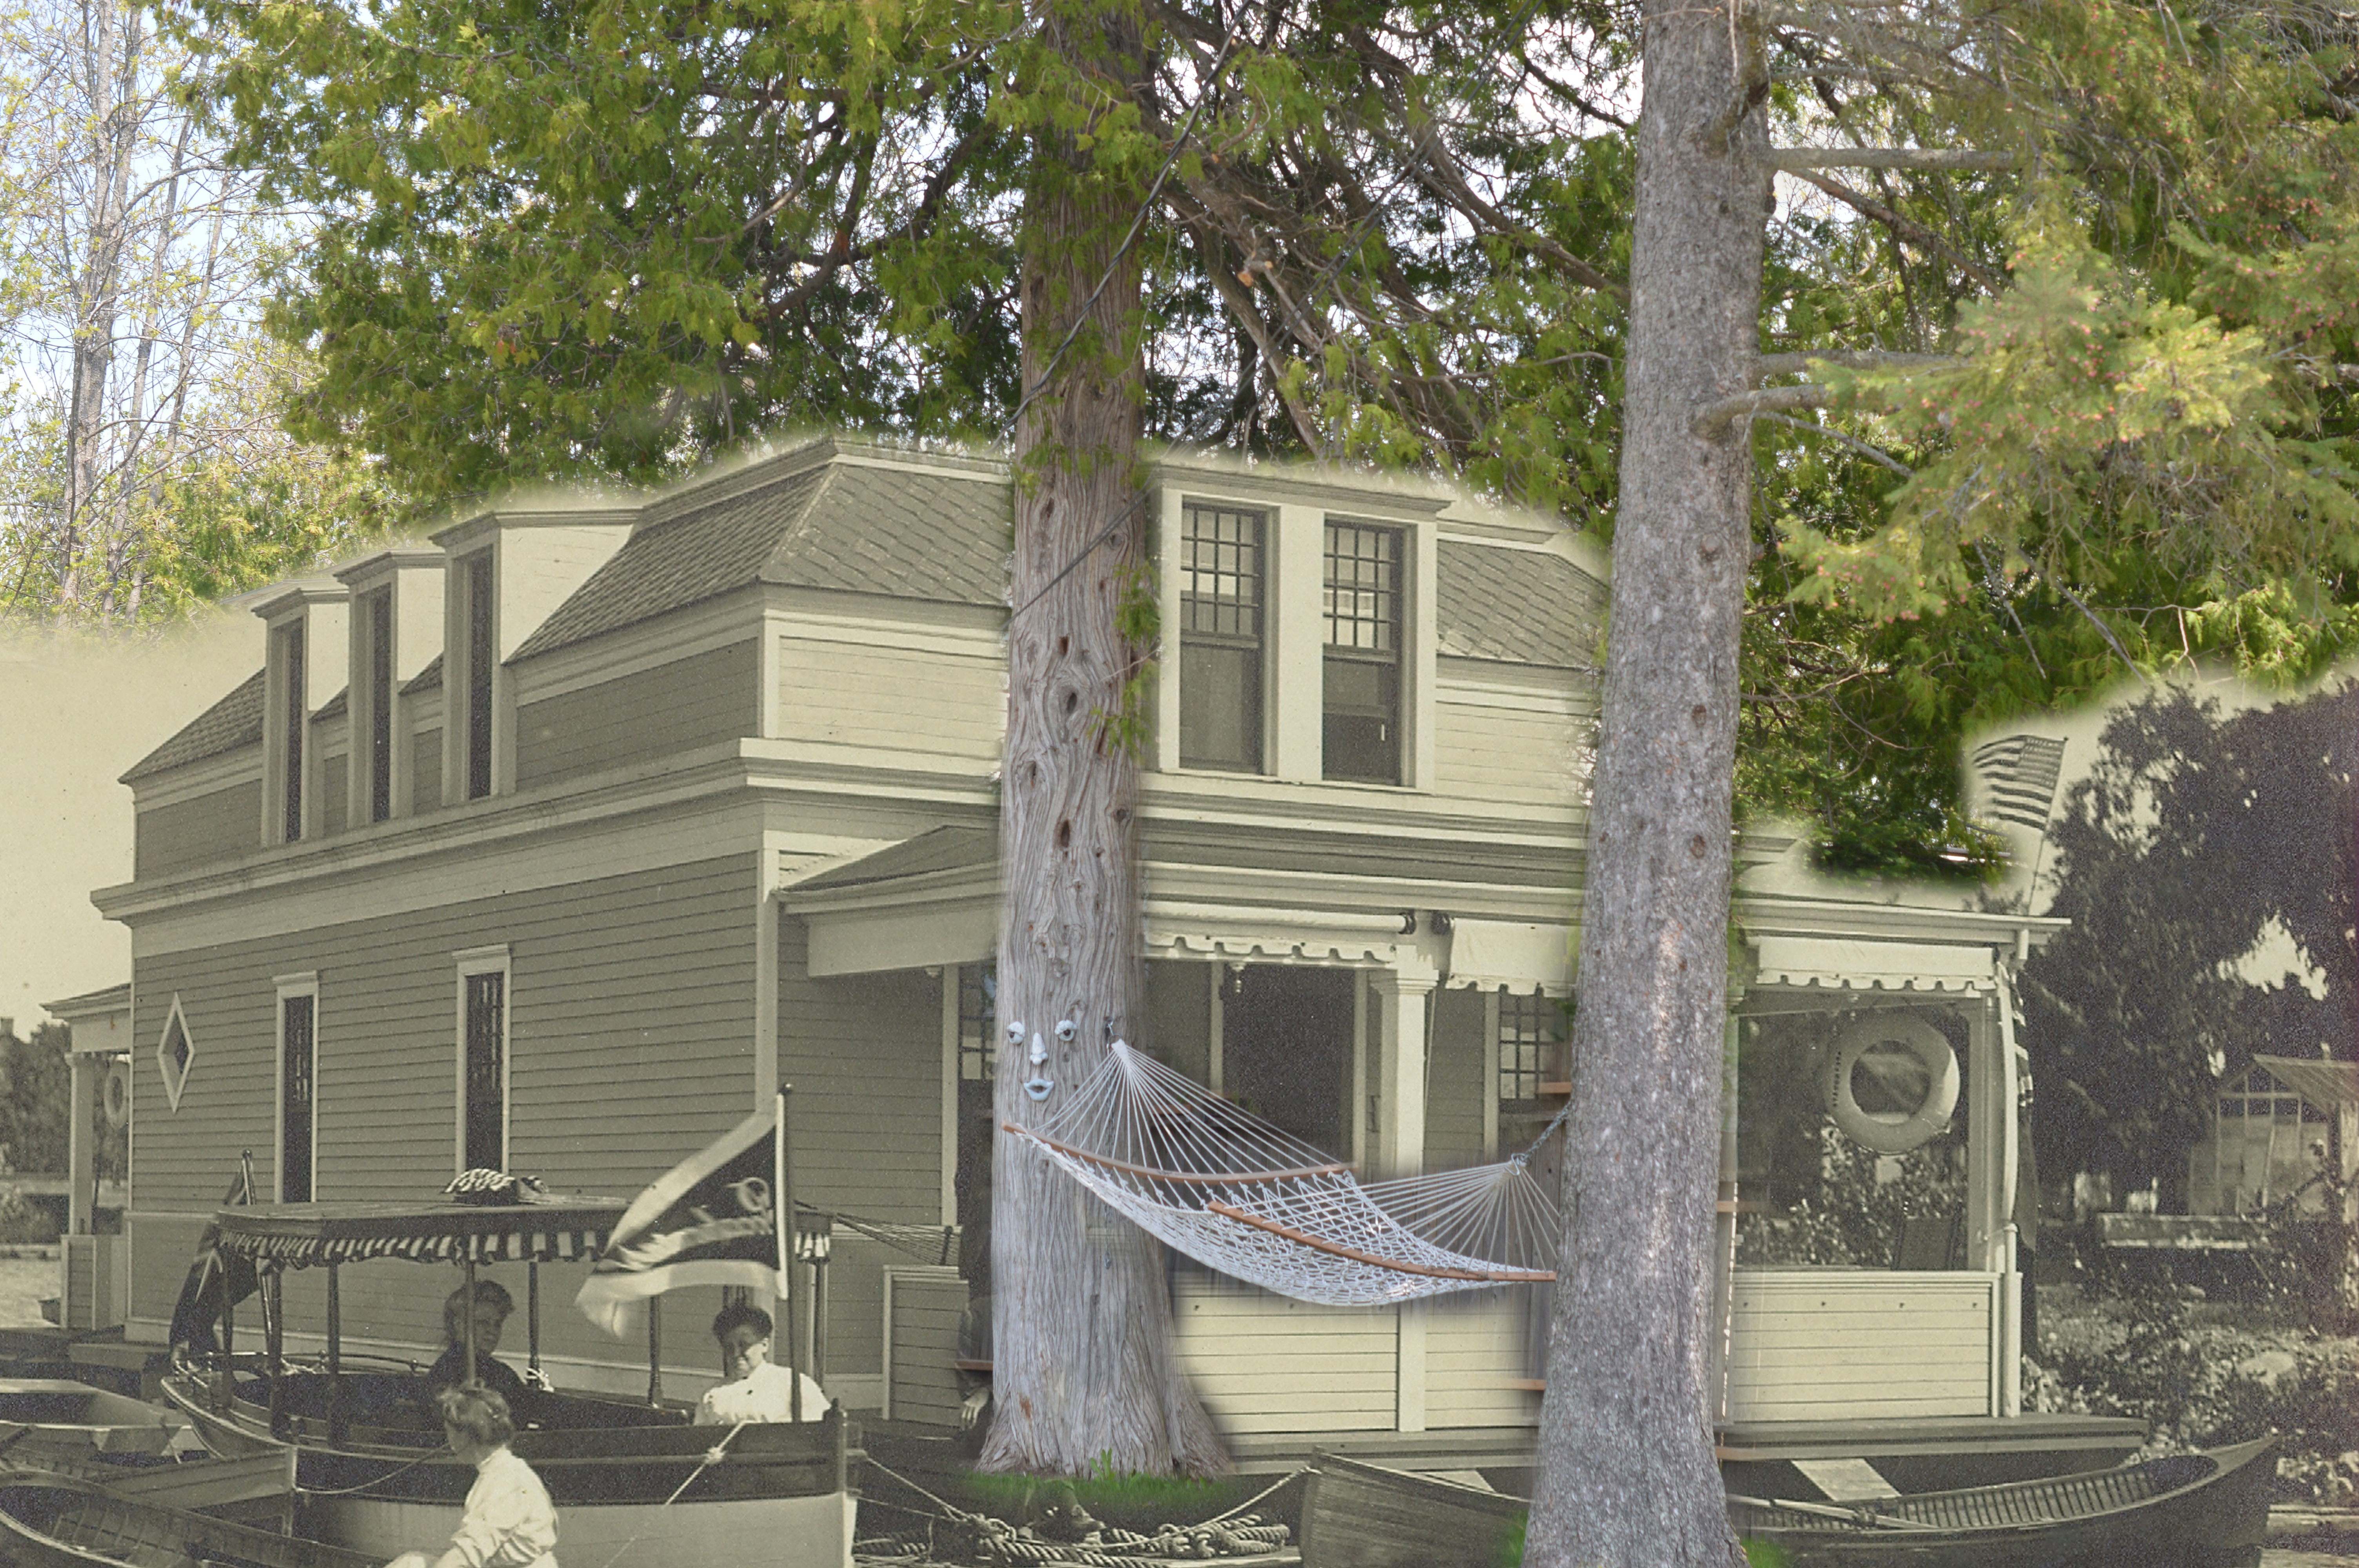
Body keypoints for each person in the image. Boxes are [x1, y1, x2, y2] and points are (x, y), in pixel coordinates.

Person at [385, 1386, 558, 1568]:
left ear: (466, 1436)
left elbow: (467, 1555)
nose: (448, 1440)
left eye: (449, 1432)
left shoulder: (505, 1481)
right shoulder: (504, 1470)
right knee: (412, 1562)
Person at [695, 1303, 828, 1425]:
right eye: (729, 1347)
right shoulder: (713, 1395)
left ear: (764, 1345)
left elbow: (818, 1430)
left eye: (744, 1345)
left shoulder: (793, 1384)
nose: (736, 1354)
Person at [427, 1281, 534, 1413]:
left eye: (497, 1324)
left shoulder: (502, 1373)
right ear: (459, 1324)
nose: (492, 1331)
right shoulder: (448, 1373)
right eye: (483, 1323)